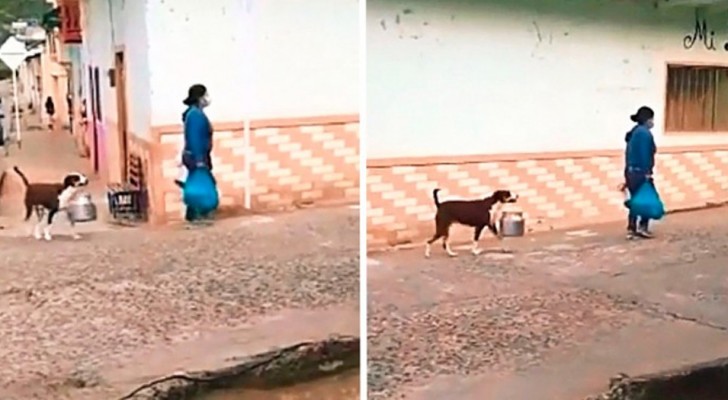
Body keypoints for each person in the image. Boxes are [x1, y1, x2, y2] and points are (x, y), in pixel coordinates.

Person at [181, 84, 214, 224]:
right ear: (199, 98)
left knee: (197, 183)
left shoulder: (194, 114)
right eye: (205, 95)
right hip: (197, 156)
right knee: (200, 184)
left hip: (195, 156)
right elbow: (194, 138)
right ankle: (197, 213)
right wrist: (199, 159)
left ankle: (194, 212)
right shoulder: (195, 116)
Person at [624, 106, 657, 240]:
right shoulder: (644, 134)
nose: (652, 122)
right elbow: (645, 154)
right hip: (640, 172)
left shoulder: (634, 132)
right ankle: (642, 227)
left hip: (630, 171)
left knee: (636, 199)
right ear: (647, 119)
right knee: (646, 199)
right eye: (651, 119)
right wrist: (647, 172)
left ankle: (632, 228)